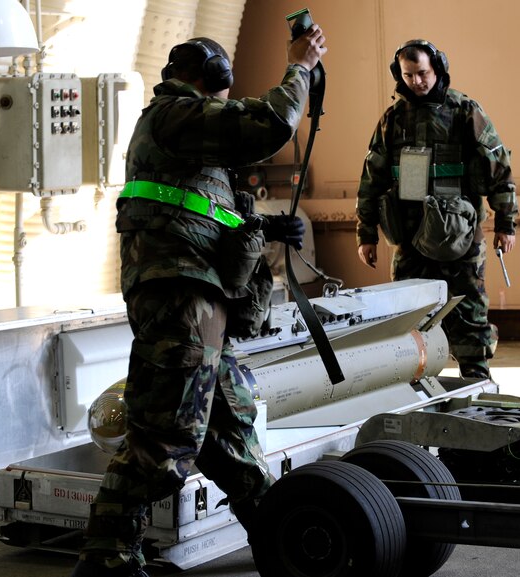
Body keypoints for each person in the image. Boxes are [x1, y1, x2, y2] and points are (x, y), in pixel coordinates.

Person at [70, 26, 327, 577]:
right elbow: (270, 124)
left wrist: (262, 228)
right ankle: (107, 560)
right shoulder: (174, 115)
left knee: (230, 428)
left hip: (202, 297)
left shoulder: (187, 135)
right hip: (178, 299)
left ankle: (281, 538)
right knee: (164, 440)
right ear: (211, 78)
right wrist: (299, 67)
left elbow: (200, 215)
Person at [355, 39, 517, 380]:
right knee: (408, 314)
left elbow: (498, 167)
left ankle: (476, 380)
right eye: (409, 75)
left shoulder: (464, 111)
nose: (417, 81)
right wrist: (365, 233)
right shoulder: (393, 120)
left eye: (423, 73)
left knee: (469, 310)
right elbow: (372, 179)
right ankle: (414, 383)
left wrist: (506, 223)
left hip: (460, 235)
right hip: (411, 238)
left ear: (438, 69)